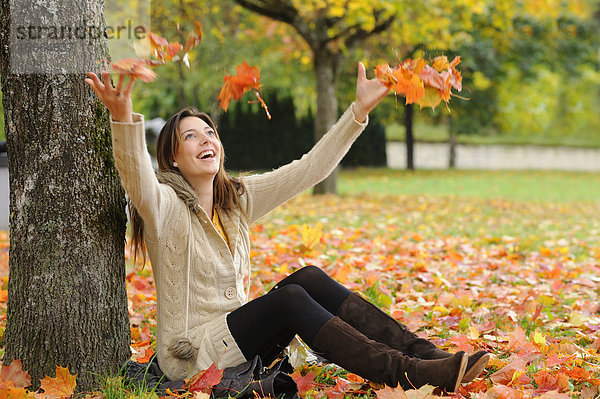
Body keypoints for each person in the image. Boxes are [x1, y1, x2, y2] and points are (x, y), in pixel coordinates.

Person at [85, 63, 489, 393]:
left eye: (209, 132)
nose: (205, 139)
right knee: (289, 298)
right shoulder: (165, 207)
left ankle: (427, 356)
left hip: (238, 340)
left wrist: (358, 112)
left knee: (308, 278)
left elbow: (308, 169)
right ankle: (406, 372)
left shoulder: (235, 200)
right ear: (173, 158)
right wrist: (123, 119)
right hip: (193, 356)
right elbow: (136, 178)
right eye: (190, 136)